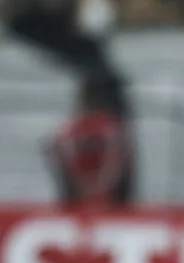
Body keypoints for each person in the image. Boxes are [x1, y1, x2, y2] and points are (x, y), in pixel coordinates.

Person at [46, 72, 132, 207]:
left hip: (82, 197)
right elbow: (115, 162)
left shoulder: (69, 130)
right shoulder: (110, 128)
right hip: (102, 198)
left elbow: (57, 151)